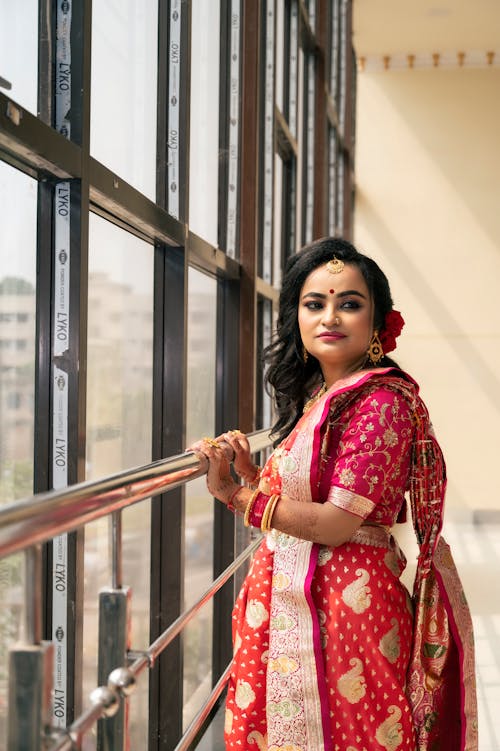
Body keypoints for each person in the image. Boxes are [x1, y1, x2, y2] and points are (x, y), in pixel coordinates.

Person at [189, 237, 477, 751]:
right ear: (297, 320)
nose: (331, 316)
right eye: (314, 304)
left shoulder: (381, 403)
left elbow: (340, 523)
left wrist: (235, 495)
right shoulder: (324, 397)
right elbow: (308, 498)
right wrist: (253, 475)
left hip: (344, 612)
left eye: (350, 304)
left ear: (377, 323)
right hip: (295, 602)